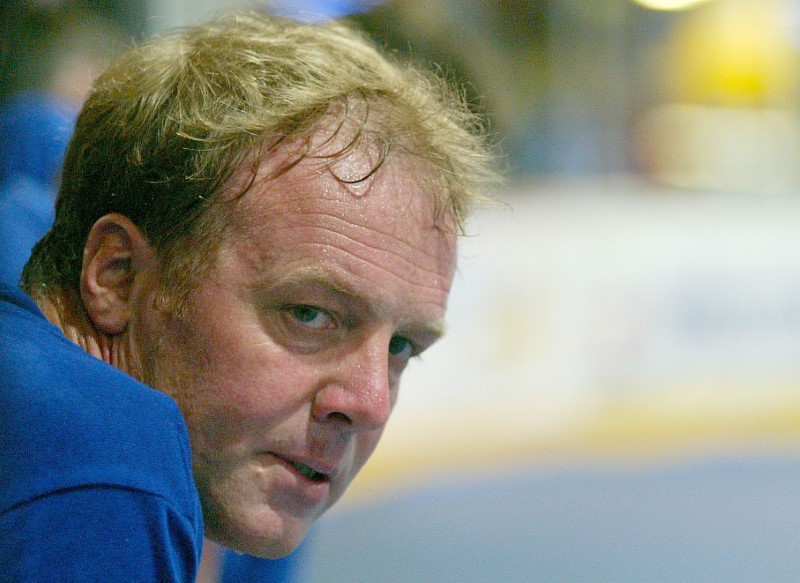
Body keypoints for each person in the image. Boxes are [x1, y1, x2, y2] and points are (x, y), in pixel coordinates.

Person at [0, 11, 497, 582]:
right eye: (309, 315)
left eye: (401, 348)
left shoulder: (244, 470)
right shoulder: (102, 463)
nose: (369, 405)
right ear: (117, 277)